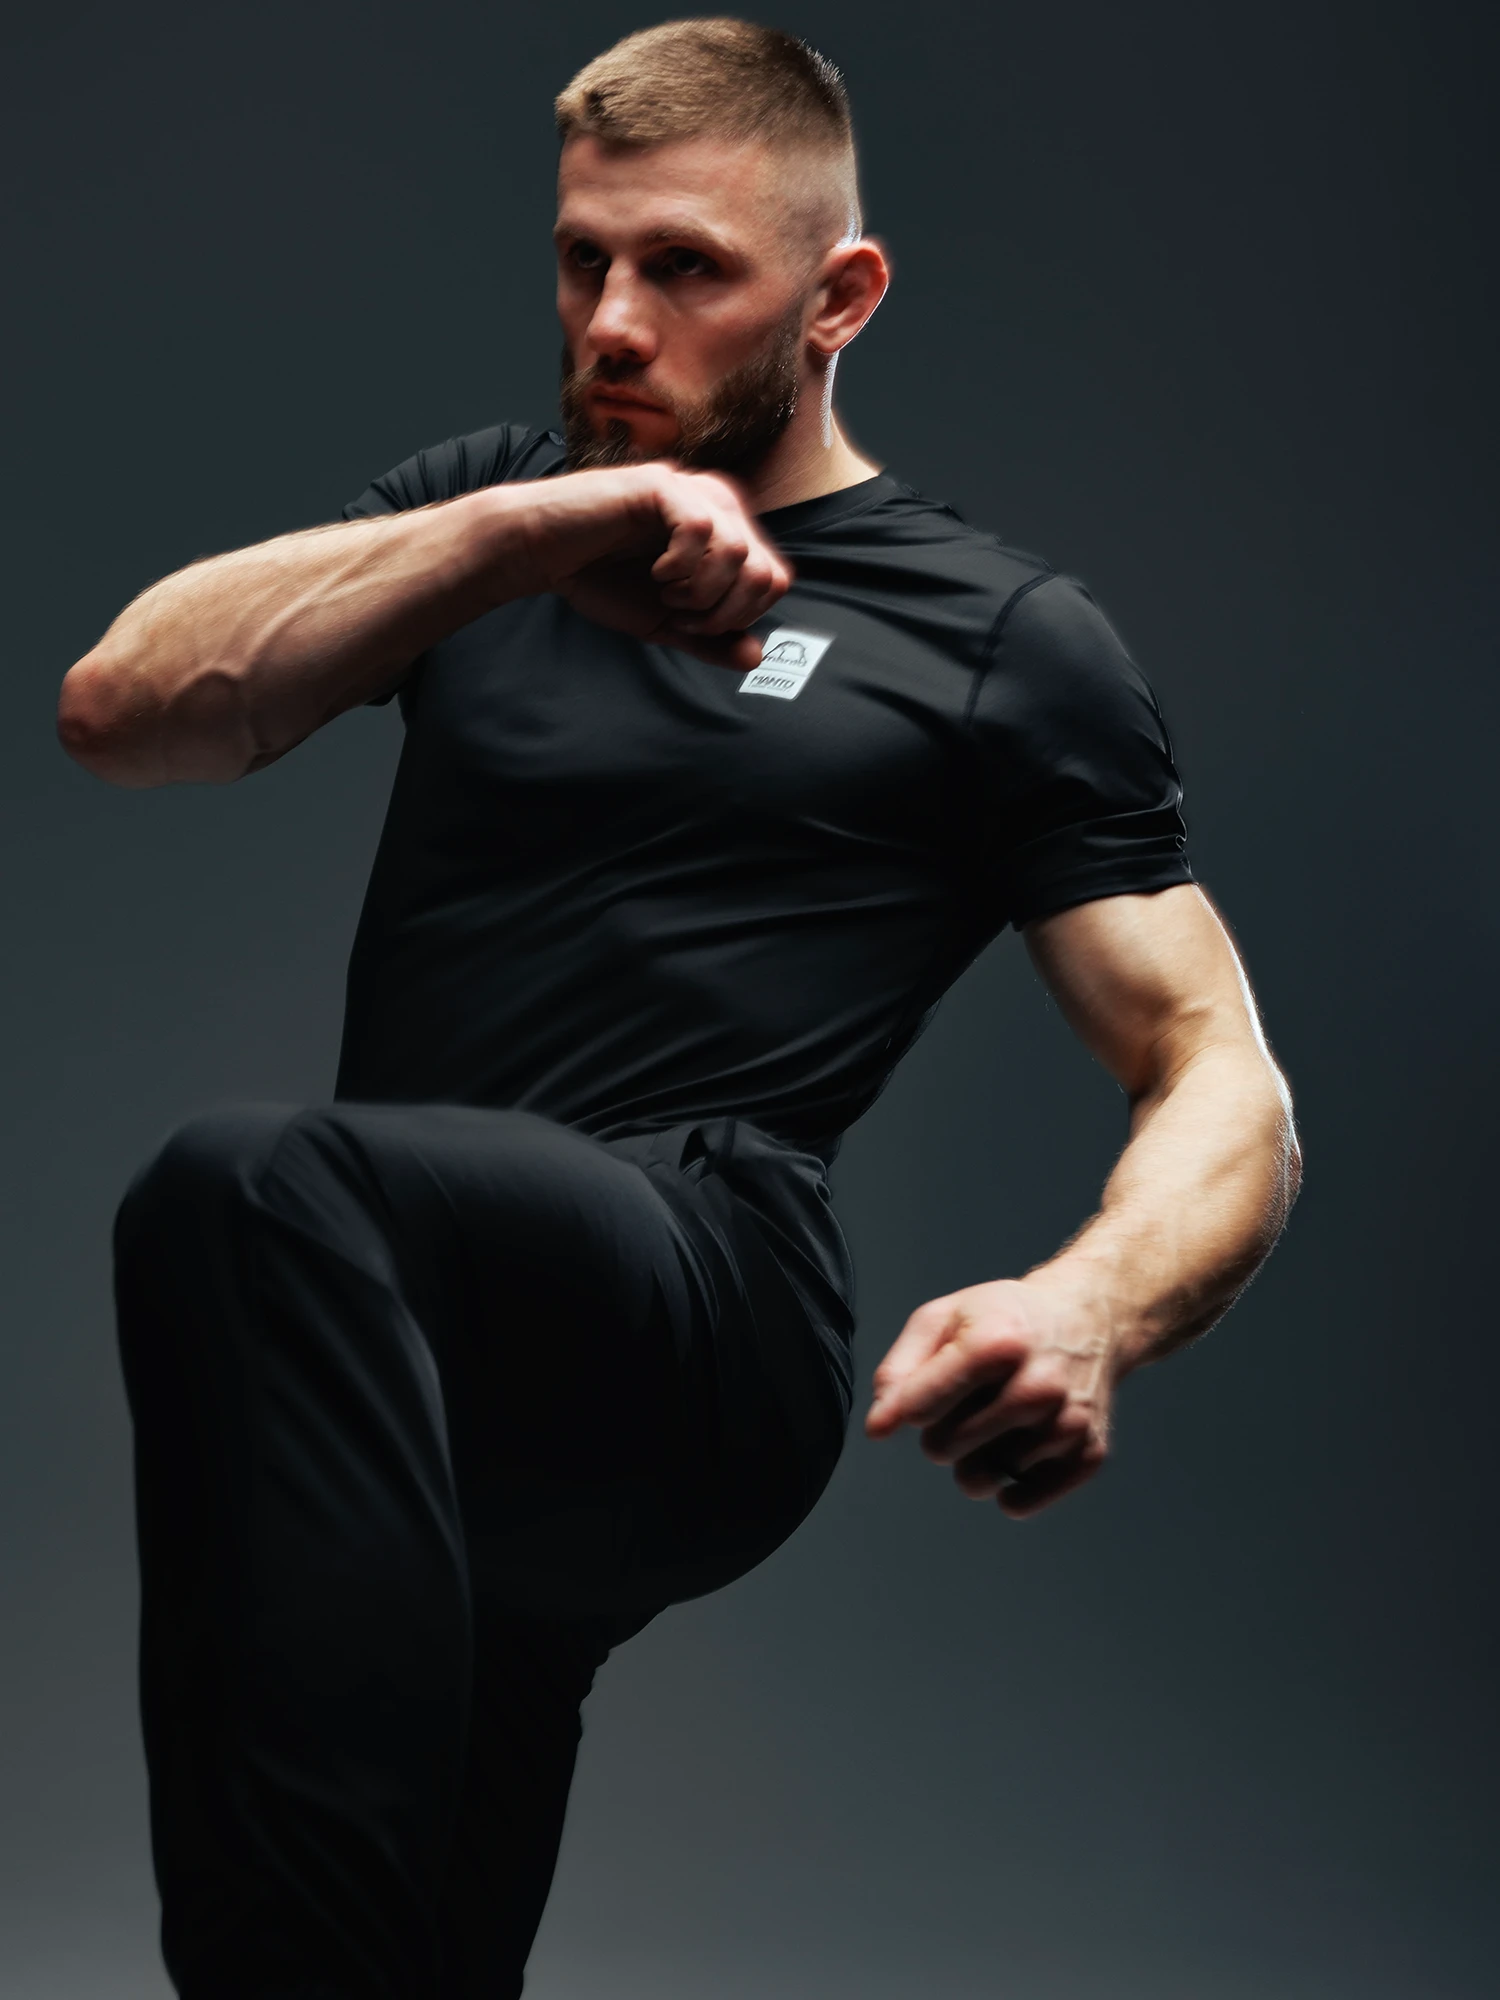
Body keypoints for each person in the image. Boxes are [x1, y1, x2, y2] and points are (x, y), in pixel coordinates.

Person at [57, 19, 1300, 2000]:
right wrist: (520, 530)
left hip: (701, 1303)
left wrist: (1092, 1305)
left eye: (686, 269)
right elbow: (124, 711)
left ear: (839, 297)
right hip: (416, 1365)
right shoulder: (486, 523)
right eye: (583, 260)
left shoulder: (995, 636)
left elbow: (1214, 1062)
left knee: (255, 1189)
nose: (614, 322)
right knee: (415, 1904)